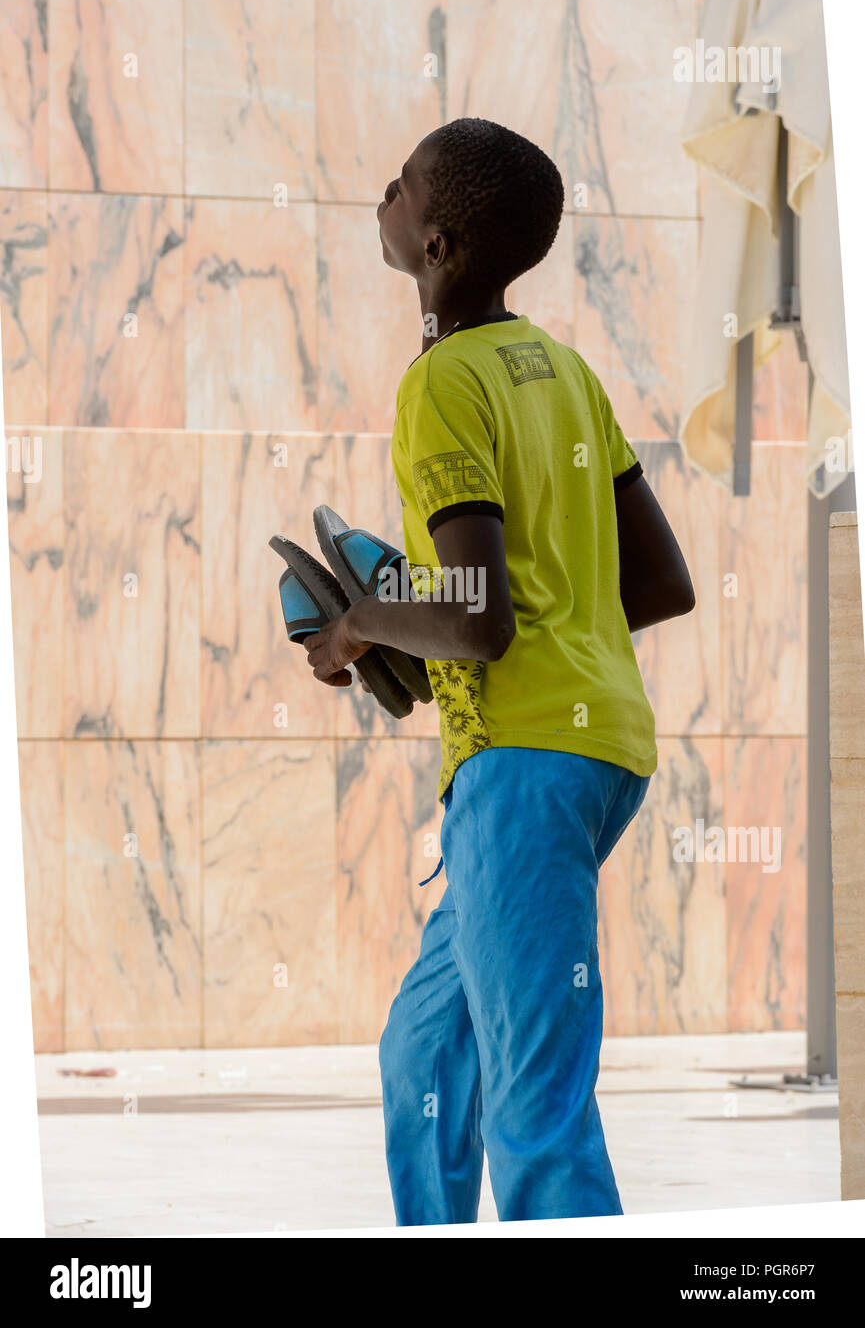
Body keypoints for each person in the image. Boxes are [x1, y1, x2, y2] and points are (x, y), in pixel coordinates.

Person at [304, 118, 695, 1225]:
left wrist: (356, 632)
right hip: (594, 747)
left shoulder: (440, 384)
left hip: (523, 768)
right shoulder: (561, 372)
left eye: (402, 186)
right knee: (424, 1053)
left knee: (536, 1101)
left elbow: (475, 619)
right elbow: (659, 583)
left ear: (438, 245)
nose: (383, 192)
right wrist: (450, 624)